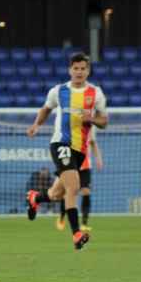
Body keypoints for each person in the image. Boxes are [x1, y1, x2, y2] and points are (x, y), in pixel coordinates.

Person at [26, 52, 108, 250]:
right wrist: (36, 125)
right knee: (74, 187)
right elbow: (46, 109)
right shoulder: (58, 91)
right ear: (70, 70)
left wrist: (92, 120)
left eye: (83, 69)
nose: (79, 72)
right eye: (76, 68)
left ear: (88, 71)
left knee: (56, 193)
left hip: (80, 150)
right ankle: (76, 233)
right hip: (61, 144)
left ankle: (35, 197)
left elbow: (104, 122)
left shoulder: (96, 94)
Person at [57, 129, 103, 232]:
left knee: (86, 191)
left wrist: (98, 158)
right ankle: (61, 217)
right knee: (67, 192)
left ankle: (84, 223)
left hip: (85, 166)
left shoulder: (89, 127)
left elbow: (93, 143)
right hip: (71, 164)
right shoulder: (69, 126)